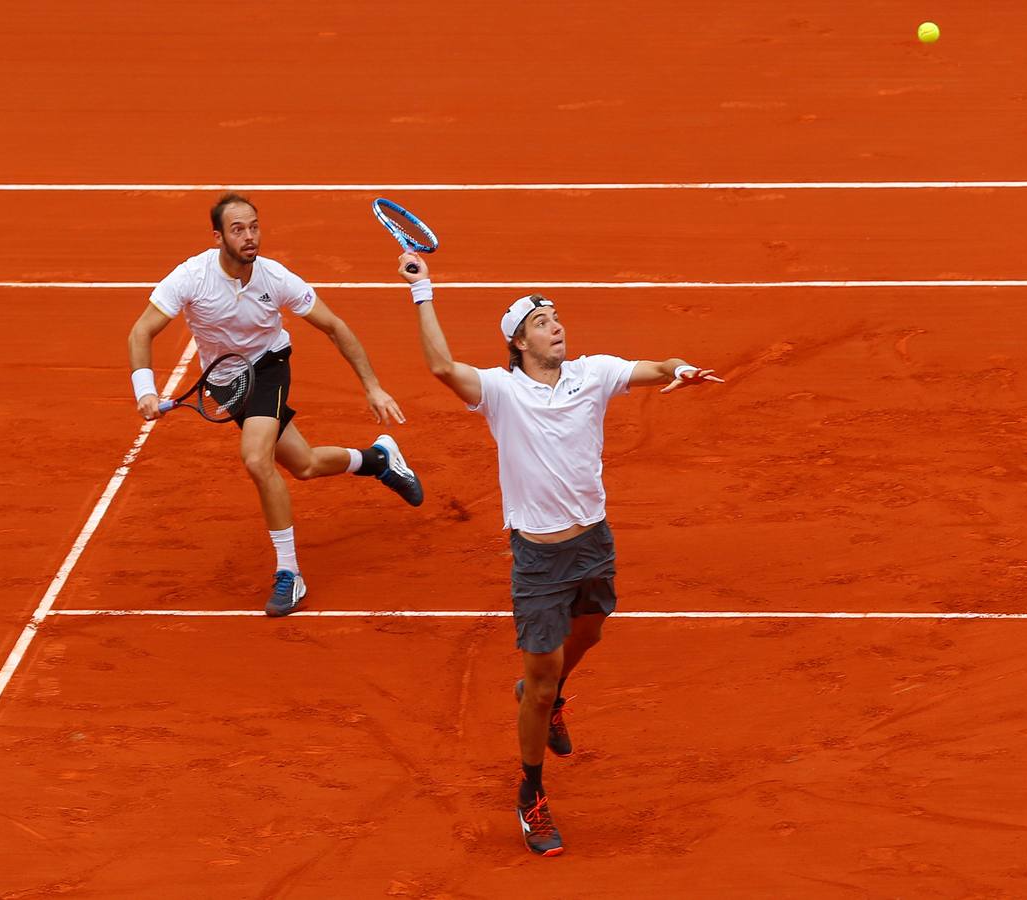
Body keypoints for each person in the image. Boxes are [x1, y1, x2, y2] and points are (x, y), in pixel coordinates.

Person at [397, 250, 723, 857]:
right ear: (519, 343)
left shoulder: (593, 373)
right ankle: (531, 794)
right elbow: (442, 366)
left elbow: (654, 366)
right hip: (539, 559)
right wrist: (423, 290)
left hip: (593, 540)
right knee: (541, 679)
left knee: (592, 633)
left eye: (557, 318)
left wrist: (683, 368)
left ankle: (542, 700)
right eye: (543, 322)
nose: (557, 326)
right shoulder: (499, 392)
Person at [127, 192, 423, 617]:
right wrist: (145, 390)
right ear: (218, 238)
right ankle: (378, 459)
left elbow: (335, 326)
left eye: (254, 227)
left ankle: (290, 572)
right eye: (237, 229)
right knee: (302, 466)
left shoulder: (276, 278)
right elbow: (141, 332)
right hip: (226, 383)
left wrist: (372, 387)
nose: (250, 237)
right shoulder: (190, 277)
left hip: (268, 367)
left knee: (255, 459)